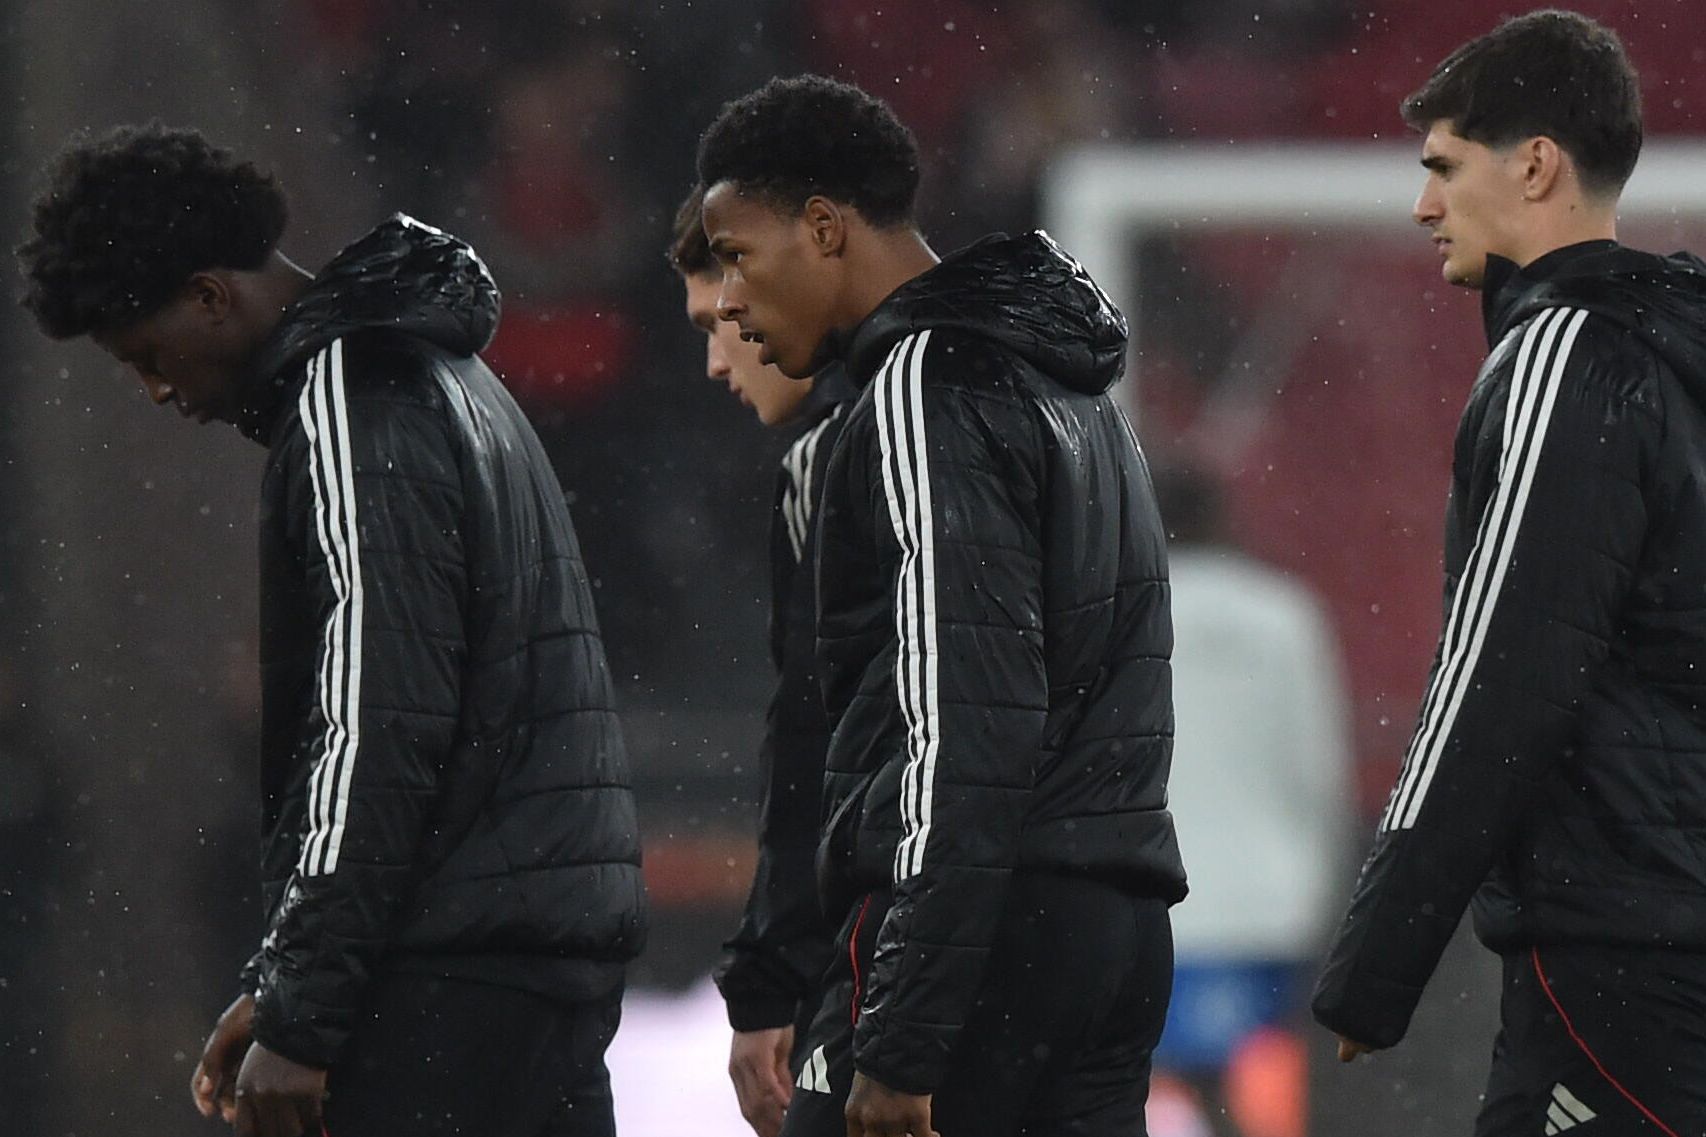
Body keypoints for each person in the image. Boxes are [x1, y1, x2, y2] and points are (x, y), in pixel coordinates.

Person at [18, 123, 647, 1137]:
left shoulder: (352, 404)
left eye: (146, 355)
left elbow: (374, 726)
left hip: (446, 973)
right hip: (529, 954)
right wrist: (281, 978)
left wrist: (304, 1007)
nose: (156, 391)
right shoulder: (445, 377)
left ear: (212, 297)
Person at [696, 75, 1186, 1137]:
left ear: (822, 229)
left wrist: (906, 1027)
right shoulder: (1072, 386)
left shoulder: (921, 378)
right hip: (1113, 920)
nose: (727, 302)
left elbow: (962, 714)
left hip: (981, 933)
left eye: (735, 256)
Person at [1312, 11, 1706, 1135]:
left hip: (1619, 954)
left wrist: (1376, 959)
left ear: (1533, 165)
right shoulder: (1675, 359)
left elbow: (1499, 673)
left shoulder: (1560, 352)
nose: (1419, 205)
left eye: (1440, 167)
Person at [666, 184, 854, 1137]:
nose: (714, 358)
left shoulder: (843, 449)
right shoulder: (1038, 405)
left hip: (908, 951)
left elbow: (821, 731)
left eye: (723, 319)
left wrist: (772, 976)